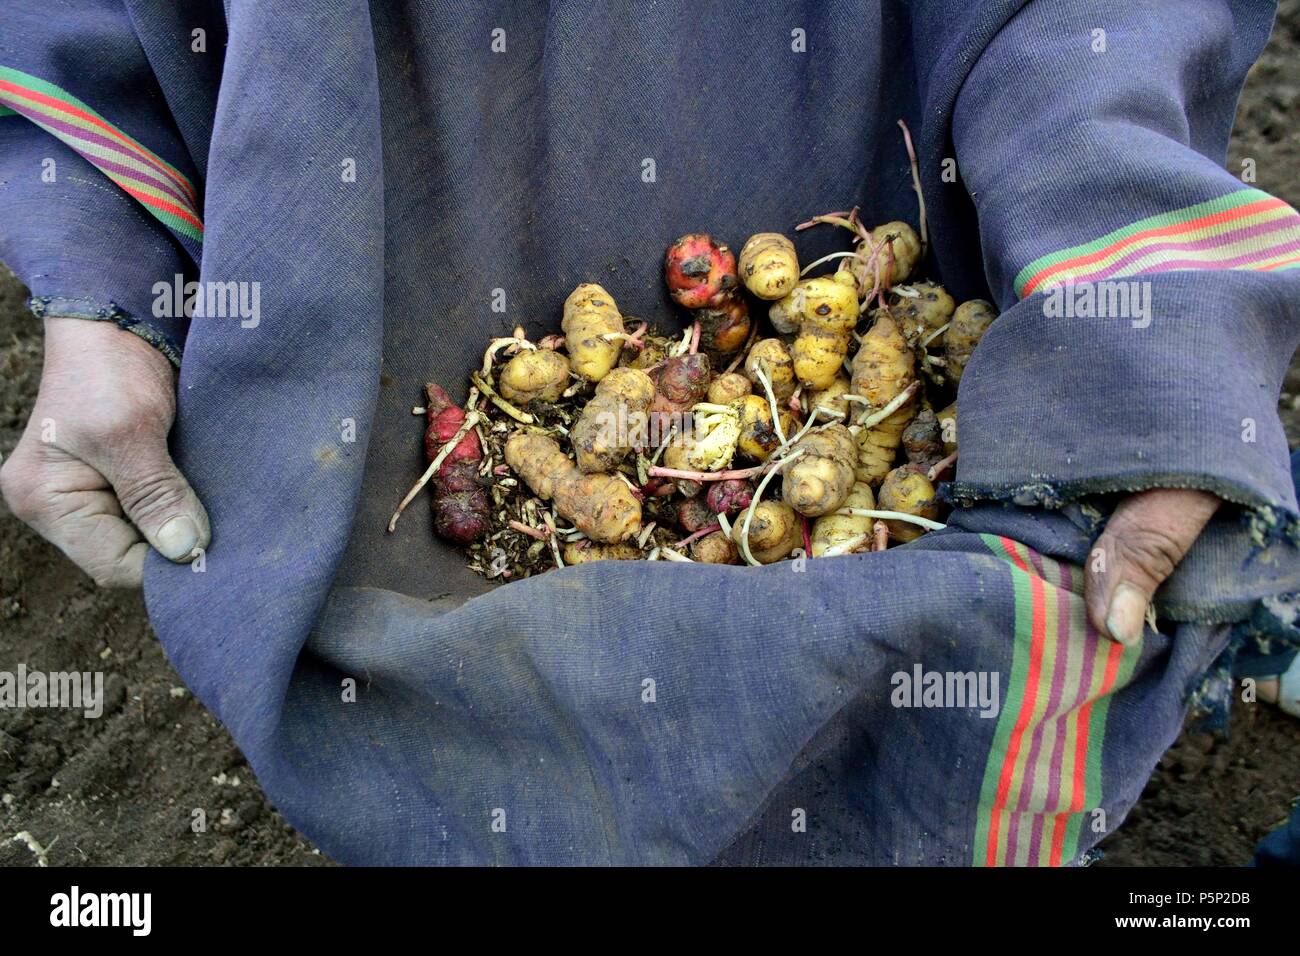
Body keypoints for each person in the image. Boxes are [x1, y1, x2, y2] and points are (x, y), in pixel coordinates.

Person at [0, 0, 1296, 866]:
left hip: (911, 134)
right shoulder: (613, 406)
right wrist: (104, 274)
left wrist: (1149, 355)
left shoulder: (811, 359)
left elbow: (1096, 30)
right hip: (381, 219)